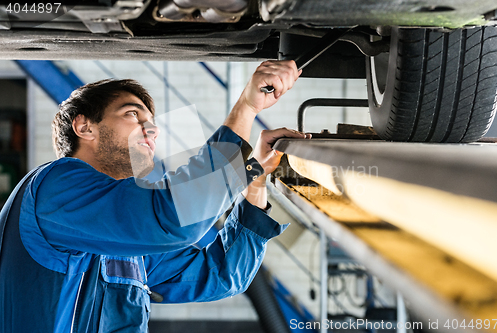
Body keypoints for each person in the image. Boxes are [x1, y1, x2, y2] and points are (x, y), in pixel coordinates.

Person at [0, 60, 311, 332]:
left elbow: (221, 275)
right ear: (84, 126)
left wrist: (254, 177)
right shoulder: (54, 189)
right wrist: (247, 108)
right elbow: (176, 218)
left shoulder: (123, 236)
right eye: (133, 114)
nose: (151, 130)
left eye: (151, 122)